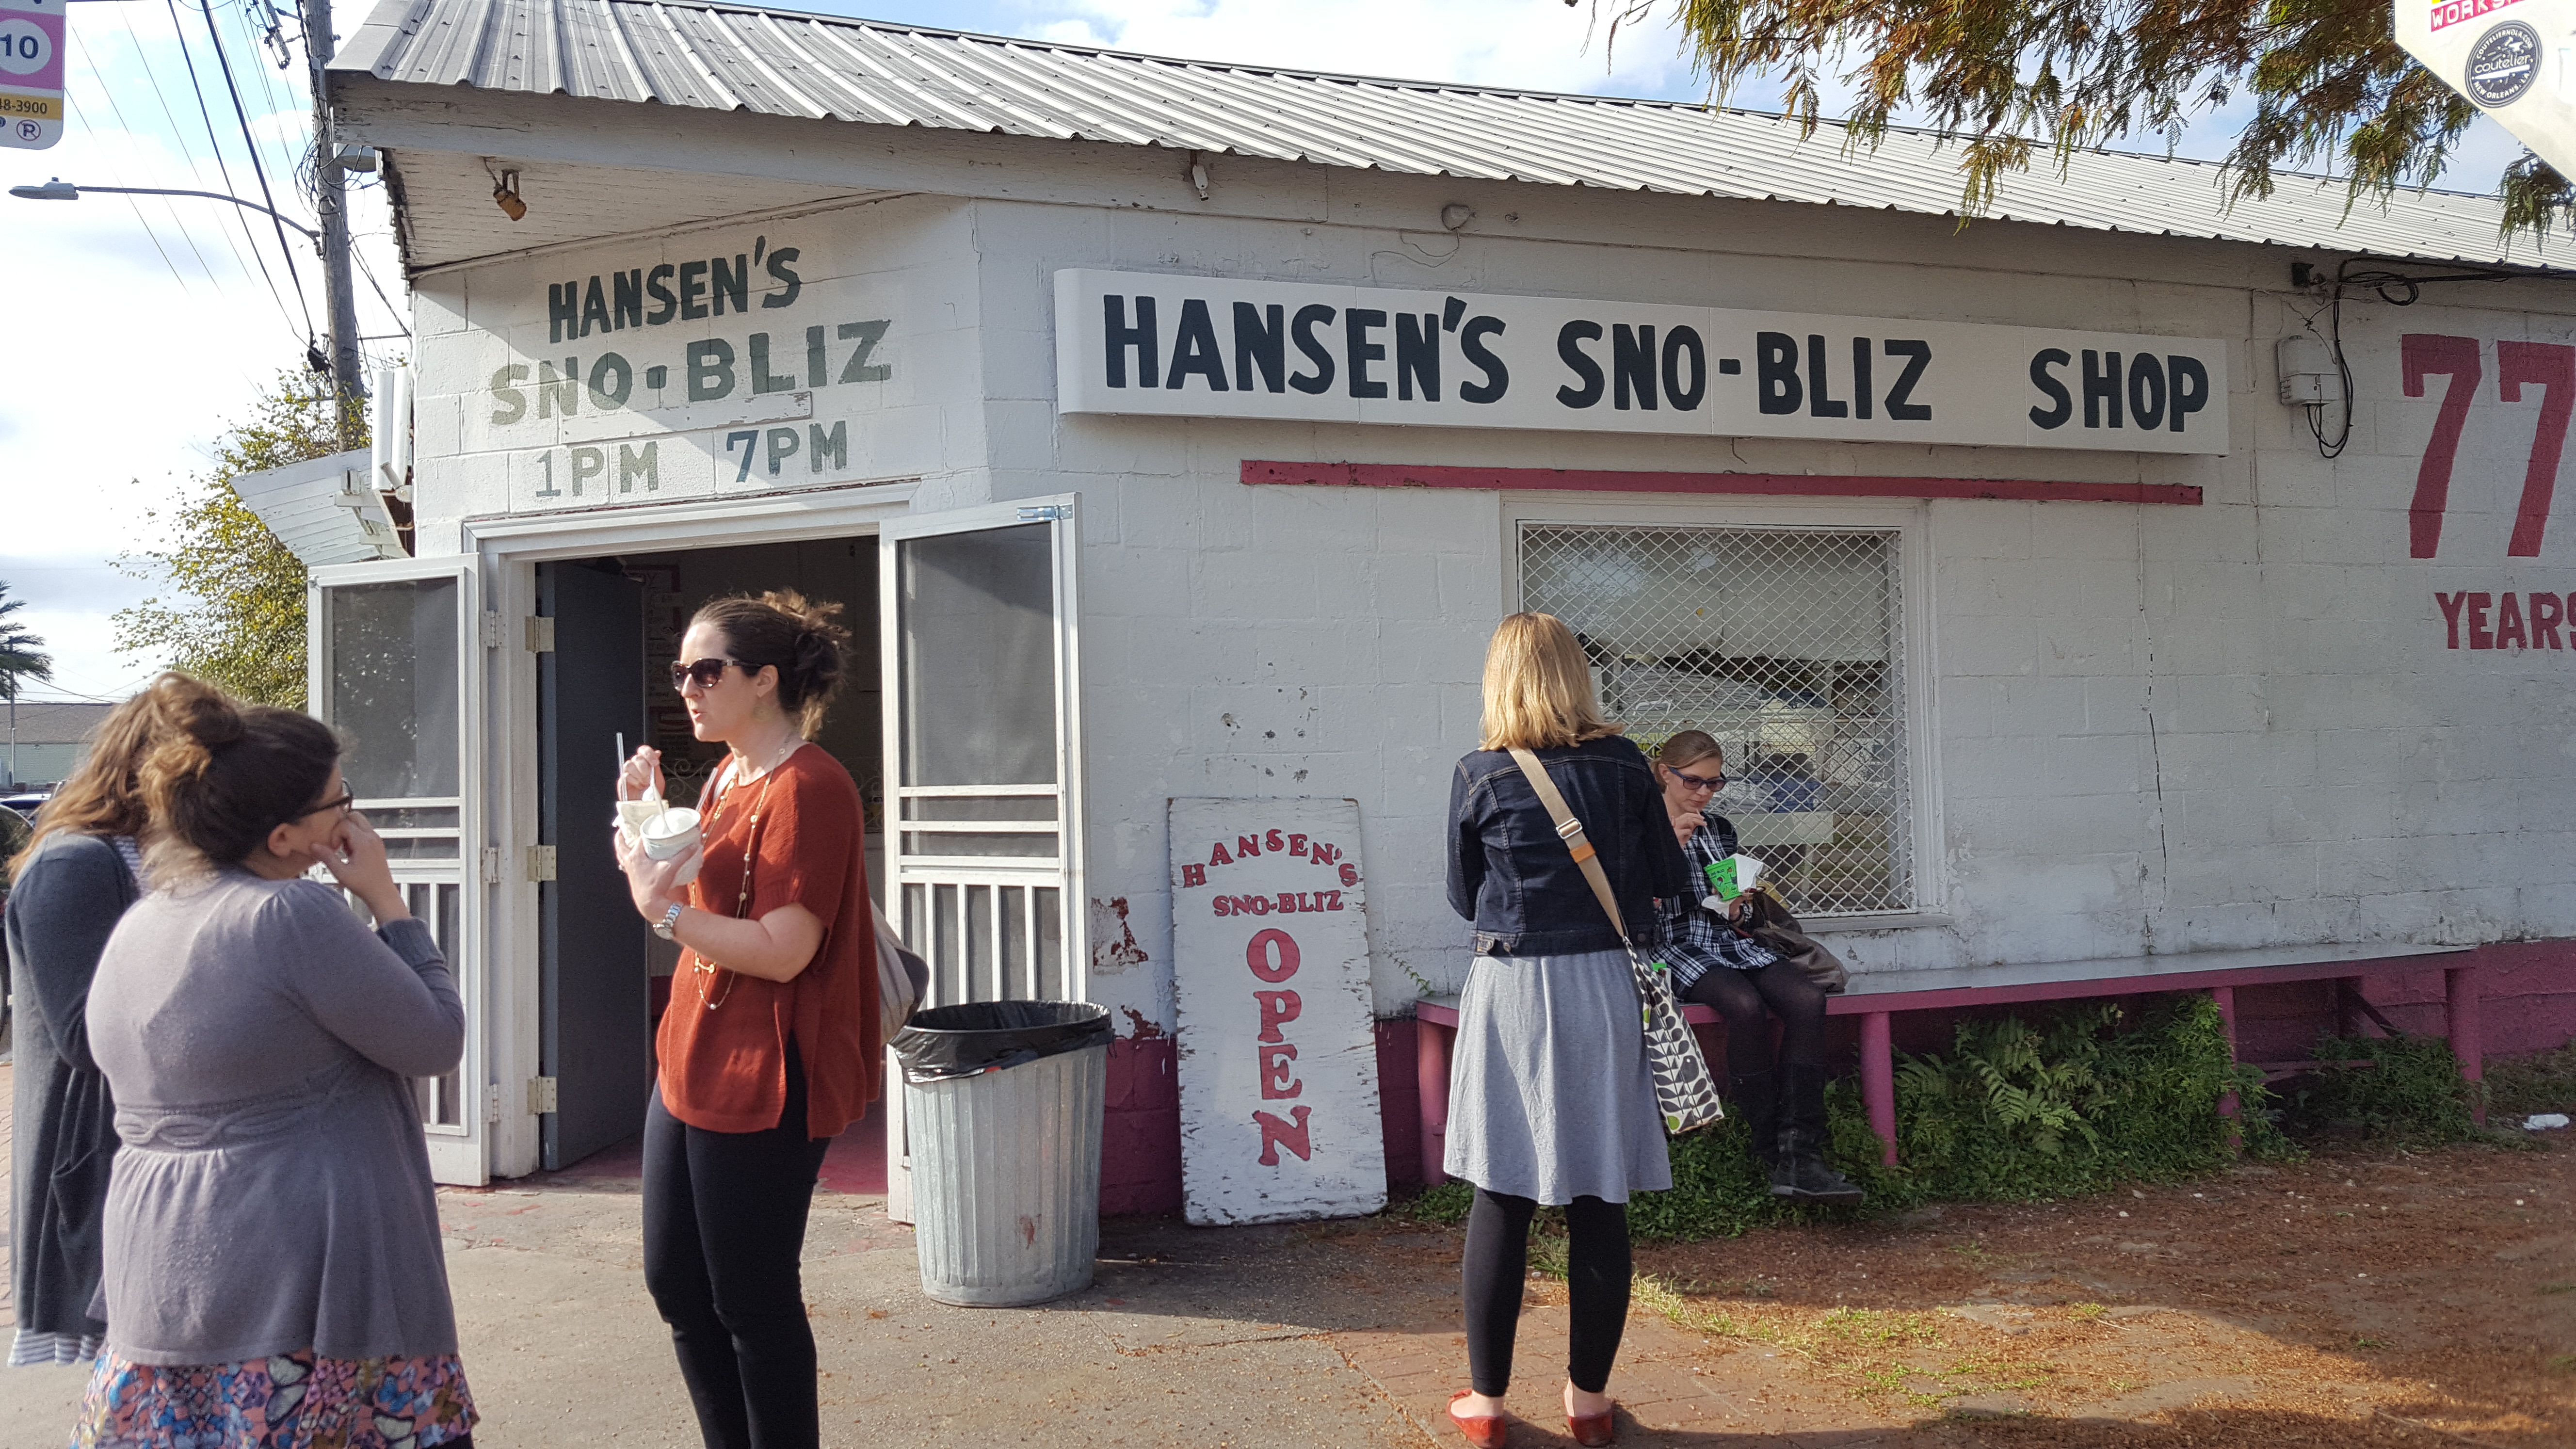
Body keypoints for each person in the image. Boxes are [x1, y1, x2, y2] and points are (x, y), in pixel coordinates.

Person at [75, 676, 477, 1448]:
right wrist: (389, 903)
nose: (351, 816)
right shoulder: (288, 913)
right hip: (298, 1291)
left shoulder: (145, 920)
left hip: (162, 1278)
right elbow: (436, 1040)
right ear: (285, 836)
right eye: (339, 800)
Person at [615, 589, 876, 1449]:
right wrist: (647, 815)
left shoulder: (811, 785)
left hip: (766, 1068)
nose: (686, 685)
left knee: (752, 1298)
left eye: (705, 669)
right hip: (693, 1052)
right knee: (678, 1287)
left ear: (763, 680)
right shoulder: (729, 774)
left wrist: (658, 916)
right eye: (680, 670)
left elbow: (783, 947)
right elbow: (700, 891)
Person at [1442, 612, 1692, 1449]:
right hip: (1599, 984)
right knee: (1599, 1193)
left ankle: (1484, 1405)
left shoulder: (1478, 773)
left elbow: (1460, 891)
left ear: (1498, 679)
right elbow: (1665, 878)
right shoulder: (1624, 765)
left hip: (1510, 983)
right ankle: (1588, 1403)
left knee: (1501, 1192)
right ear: (1577, 676)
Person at [6, 678, 184, 1369]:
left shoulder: (147, 851)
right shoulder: (73, 863)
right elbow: (85, 1036)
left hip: (143, 1147)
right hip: (93, 1155)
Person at [1652, 729, 1863, 1204]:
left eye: (1714, 784)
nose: (1703, 793)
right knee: (1743, 1005)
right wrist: (1667, 846)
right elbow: (1636, 906)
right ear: (1665, 774)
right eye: (1693, 782)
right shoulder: (1641, 830)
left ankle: (1801, 1151)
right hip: (1674, 945)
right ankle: (1764, 1147)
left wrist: (1737, 906)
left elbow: (1734, 905)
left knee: (1807, 998)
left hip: (1726, 940)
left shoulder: (1718, 829)